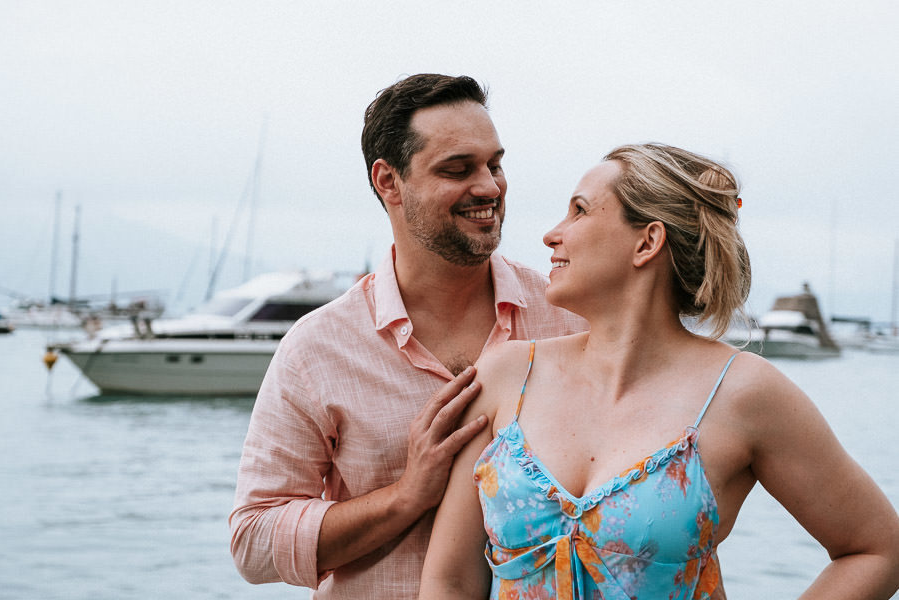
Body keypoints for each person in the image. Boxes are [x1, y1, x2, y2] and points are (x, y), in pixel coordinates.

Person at [419, 143, 899, 599]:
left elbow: (879, 550)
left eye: (580, 210)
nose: (551, 233)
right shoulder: (507, 376)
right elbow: (451, 583)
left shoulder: (743, 394)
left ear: (647, 242)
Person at [229, 73, 586, 599]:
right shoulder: (317, 349)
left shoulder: (570, 319)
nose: (489, 186)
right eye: (458, 169)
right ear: (388, 182)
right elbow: (253, 542)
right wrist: (405, 496)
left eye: (495, 163)